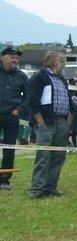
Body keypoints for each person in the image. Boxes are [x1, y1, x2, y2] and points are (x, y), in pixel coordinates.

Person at [25, 50, 73, 199]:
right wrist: (40, 122)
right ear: (53, 62)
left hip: (61, 121)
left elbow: (68, 100)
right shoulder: (39, 77)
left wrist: (68, 121)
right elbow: (32, 101)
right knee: (43, 155)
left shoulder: (62, 80)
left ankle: (51, 186)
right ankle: (37, 188)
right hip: (46, 122)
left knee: (58, 155)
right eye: (62, 61)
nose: (64, 64)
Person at [1, 46, 27, 190]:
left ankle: (4, 179)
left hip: (11, 115)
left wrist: (19, 109)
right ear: (2, 57)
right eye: (12, 57)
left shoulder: (21, 76)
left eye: (16, 58)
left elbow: (29, 96)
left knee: (9, 148)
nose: (15, 60)